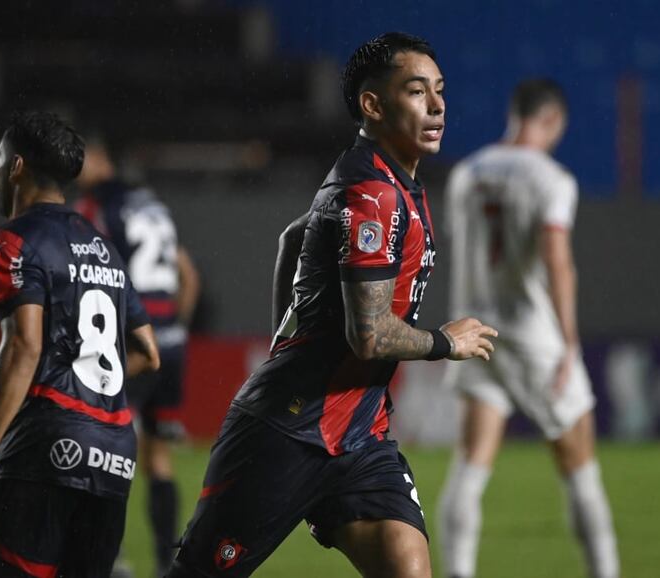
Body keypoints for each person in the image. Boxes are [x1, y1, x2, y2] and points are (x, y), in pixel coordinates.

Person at [166, 32, 498, 578]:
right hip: (285, 435)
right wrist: (445, 342)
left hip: (359, 437)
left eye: (439, 90)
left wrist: (284, 339)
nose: (437, 105)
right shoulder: (375, 192)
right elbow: (368, 336)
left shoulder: (389, 179)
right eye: (417, 92)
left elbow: (293, 239)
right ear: (373, 104)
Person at [0, 110, 161, 577]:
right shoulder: (101, 245)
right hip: (114, 454)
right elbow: (148, 351)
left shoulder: (12, 239)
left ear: (18, 167)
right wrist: (62, 372)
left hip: (42, 450)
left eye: (0, 159)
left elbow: (24, 346)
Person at [437, 79, 619, 578]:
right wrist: (570, 342)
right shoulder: (551, 178)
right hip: (533, 332)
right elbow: (557, 260)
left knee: (471, 466)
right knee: (580, 464)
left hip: (474, 333)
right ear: (552, 120)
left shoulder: (466, 173)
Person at [76, 140, 200, 576]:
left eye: (85, 156)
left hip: (131, 347)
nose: (77, 166)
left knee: (103, 452)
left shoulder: (96, 207)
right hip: (171, 342)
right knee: (158, 461)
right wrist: (175, 326)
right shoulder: (154, 206)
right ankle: (169, 565)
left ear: (104, 160)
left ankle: (110, 561)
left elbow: (93, 268)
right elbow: (188, 273)